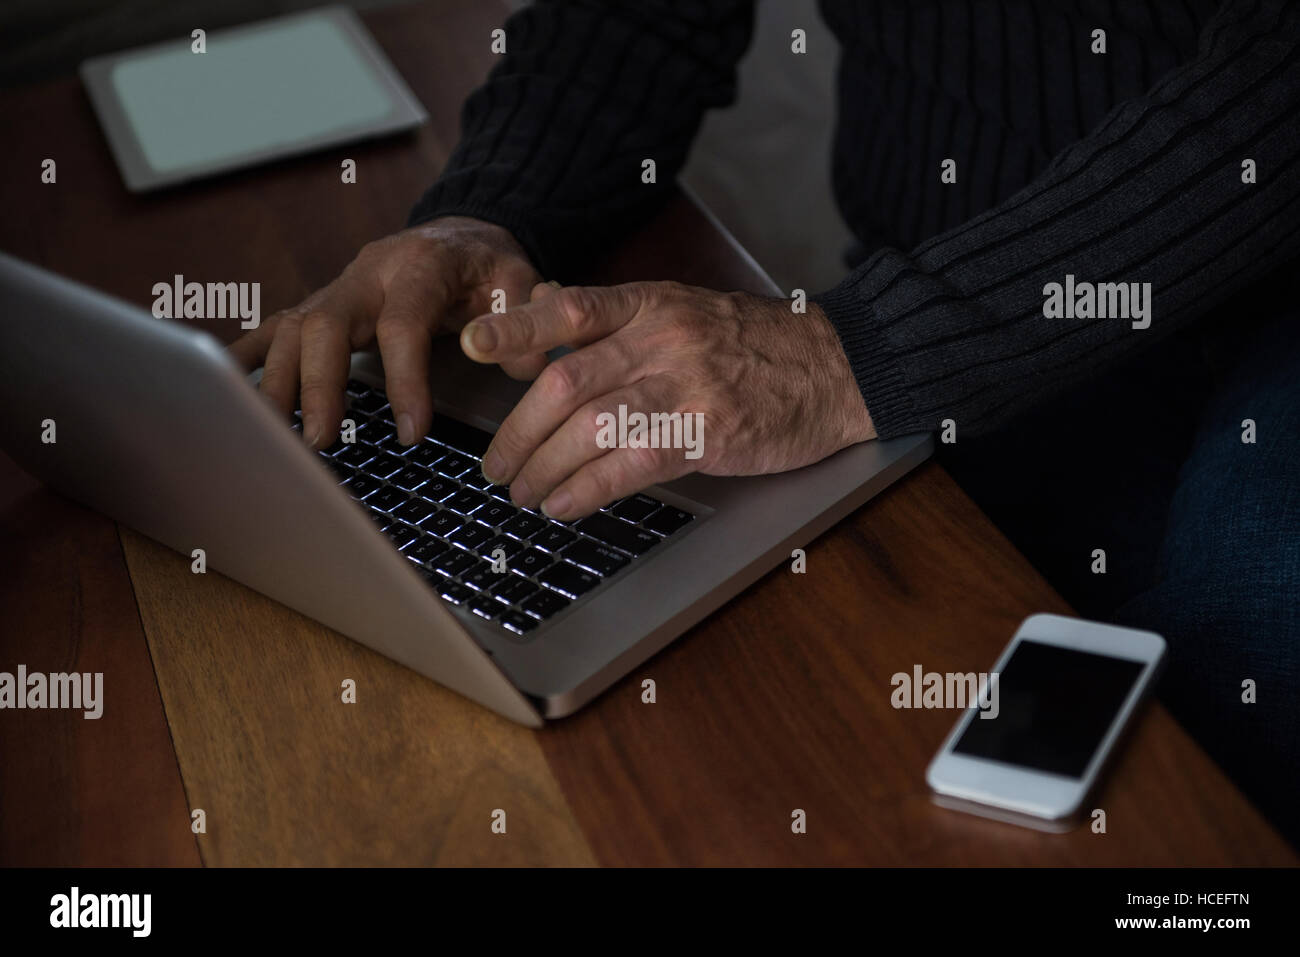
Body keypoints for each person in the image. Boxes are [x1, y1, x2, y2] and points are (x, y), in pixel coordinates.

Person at [230, 1, 1299, 843]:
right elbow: (639, 15)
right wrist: (487, 209)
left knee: (1246, 634)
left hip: (1253, 301)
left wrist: (847, 355)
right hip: (937, 261)